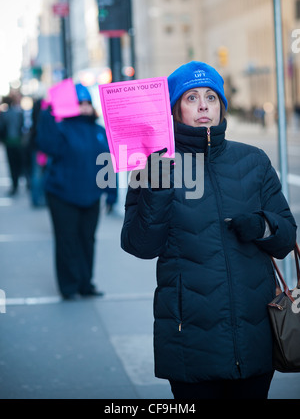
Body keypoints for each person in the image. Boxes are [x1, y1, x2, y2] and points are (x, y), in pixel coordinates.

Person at [120, 61, 297, 399]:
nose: (203, 106)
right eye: (191, 98)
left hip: (256, 335)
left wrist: (261, 226)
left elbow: (286, 237)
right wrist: (156, 186)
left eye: (211, 97)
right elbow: (140, 244)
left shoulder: (253, 161)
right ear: (174, 110)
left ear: (221, 106)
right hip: (191, 340)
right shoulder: (152, 166)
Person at [36, 83, 117, 300]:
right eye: (79, 103)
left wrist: (111, 193)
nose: (83, 108)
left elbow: (107, 163)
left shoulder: (100, 132)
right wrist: (48, 112)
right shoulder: (61, 129)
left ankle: (85, 284)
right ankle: (69, 287)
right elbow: (46, 144)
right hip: (62, 195)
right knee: (67, 240)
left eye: (87, 103)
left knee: (87, 240)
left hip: (91, 196)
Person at [0, 91, 24, 196]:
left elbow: (2, 128)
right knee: (20, 163)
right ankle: (25, 183)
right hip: (18, 141)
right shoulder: (18, 113)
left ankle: (15, 185)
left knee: (12, 165)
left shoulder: (4, 115)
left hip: (10, 142)